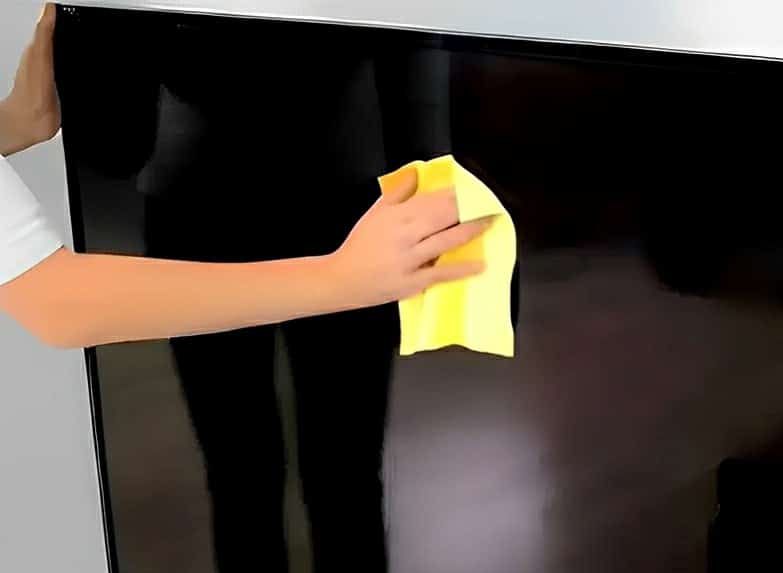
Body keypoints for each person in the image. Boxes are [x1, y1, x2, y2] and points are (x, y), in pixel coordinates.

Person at [0, 4, 491, 348]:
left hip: (345, 201)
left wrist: (16, 122)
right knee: (239, 439)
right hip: (199, 215)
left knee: (339, 442)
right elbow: (56, 302)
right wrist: (342, 277)